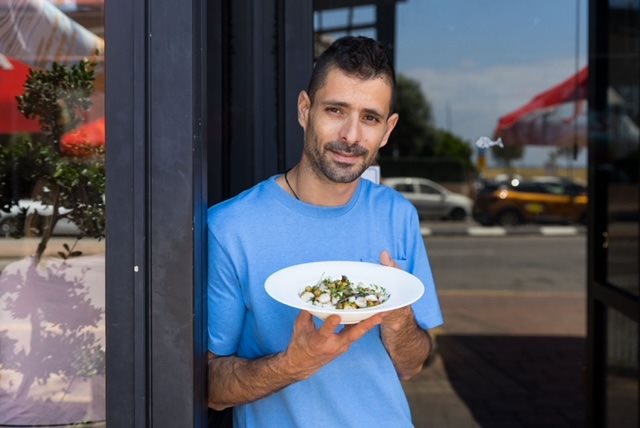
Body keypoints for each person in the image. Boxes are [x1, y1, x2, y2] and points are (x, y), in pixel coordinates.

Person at [207, 35, 443, 428]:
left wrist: (399, 318)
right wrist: (294, 365)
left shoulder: (398, 215)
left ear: (387, 130)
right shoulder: (231, 227)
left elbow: (412, 365)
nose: (351, 135)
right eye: (336, 110)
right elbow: (210, 388)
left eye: (370, 117)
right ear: (305, 109)